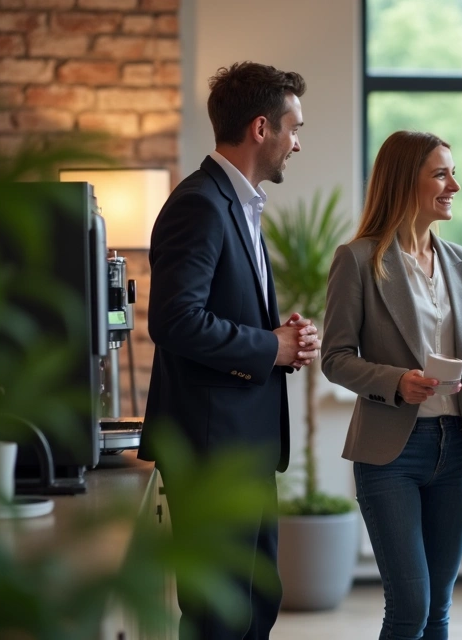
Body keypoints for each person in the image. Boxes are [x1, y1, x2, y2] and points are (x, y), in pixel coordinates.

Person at [140, 62, 316, 639]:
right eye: (294, 128)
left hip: (245, 447)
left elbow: (223, 311)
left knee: (256, 604)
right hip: (212, 451)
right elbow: (174, 321)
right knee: (220, 617)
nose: (298, 143)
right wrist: (269, 344)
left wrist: (282, 339)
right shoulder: (201, 203)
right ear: (261, 128)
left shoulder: (240, 203)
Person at [321, 130, 462, 640]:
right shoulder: (358, 259)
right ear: (407, 181)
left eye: (452, 171)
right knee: (410, 606)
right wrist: (396, 382)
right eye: (441, 173)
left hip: (456, 451)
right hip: (390, 456)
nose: (454, 184)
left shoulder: (461, 262)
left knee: (438, 609)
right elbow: (335, 359)